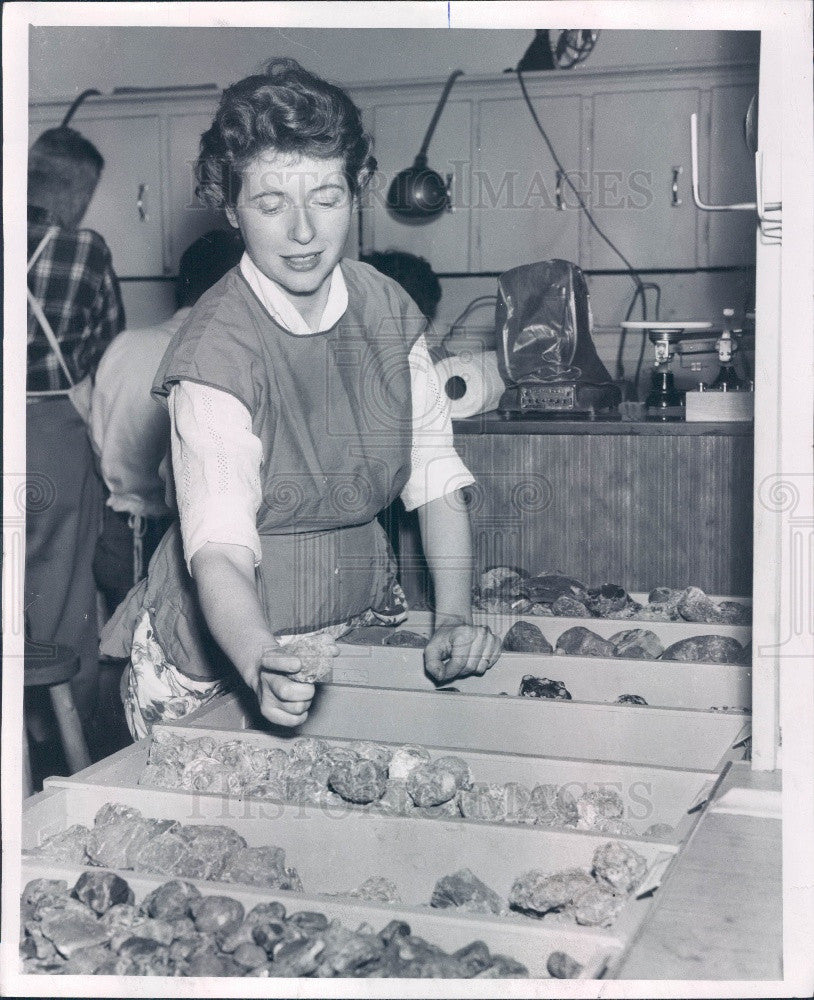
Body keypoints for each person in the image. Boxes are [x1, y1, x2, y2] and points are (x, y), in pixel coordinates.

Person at [101, 58, 502, 740]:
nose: (304, 232)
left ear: (358, 188)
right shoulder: (215, 356)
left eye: (325, 196)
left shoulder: (388, 311)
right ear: (231, 208)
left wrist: (455, 616)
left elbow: (435, 479)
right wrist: (260, 661)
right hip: (220, 662)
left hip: (354, 632)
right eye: (270, 203)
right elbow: (220, 550)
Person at [26, 126, 125, 745]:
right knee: (61, 595)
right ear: (76, 191)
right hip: (50, 433)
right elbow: (108, 348)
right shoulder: (84, 249)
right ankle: (61, 740)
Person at [90, 229, 245, 618]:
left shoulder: (124, 345)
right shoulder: (226, 353)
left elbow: (97, 438)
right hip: (186, 547)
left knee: (128, 664)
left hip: (120, 536)